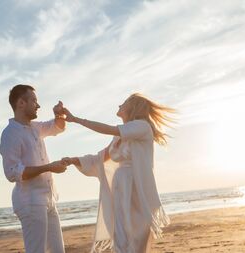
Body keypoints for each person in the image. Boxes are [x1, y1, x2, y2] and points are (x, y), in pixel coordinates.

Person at [62, 93, 175, 253]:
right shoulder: (119, 136)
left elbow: (107, 129)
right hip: (121, 188)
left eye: (124, 102)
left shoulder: (141, 126)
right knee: (121, 238)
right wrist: (75, 160)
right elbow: (101, 158)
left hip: (136, 188)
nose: (119, 105)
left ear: (134, 107)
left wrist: (76, 119)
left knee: (137, 237)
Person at [0, 84, 67, 253]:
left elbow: (58, 127)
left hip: (49, 199)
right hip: (30, 201)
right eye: (34, 101)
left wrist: (59, 113)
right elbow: (12, 172)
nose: (38, 105)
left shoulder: (35, 128)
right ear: (21, 103)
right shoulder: (10, 134)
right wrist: (49, 167)